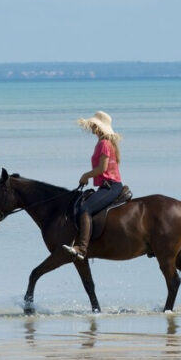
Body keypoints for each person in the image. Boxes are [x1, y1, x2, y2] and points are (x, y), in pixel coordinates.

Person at [62, 111, 124, 260]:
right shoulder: (105, 142)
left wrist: (86, 175)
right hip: (107, 185)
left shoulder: (104, 143)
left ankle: (82, 247)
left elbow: (102, 169)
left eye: (94, 125)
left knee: (85, 209)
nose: (92, 128)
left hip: (111, 186)